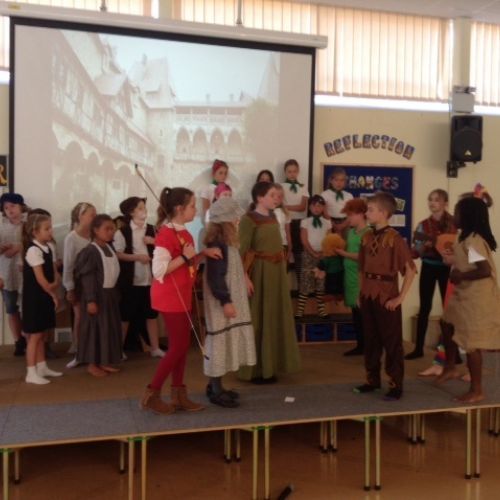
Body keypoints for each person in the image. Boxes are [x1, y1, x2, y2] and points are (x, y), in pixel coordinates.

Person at [141, 187, 222, 415]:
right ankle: (152, 393)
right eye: (192, 206)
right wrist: (186, 256)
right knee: (178, 347)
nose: (196, 210)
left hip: (182, 295)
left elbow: (188, 263)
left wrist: (201, 254)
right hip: (170, 296)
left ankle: (178, 394)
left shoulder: (184, 233)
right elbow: (159, 270)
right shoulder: (166, 234)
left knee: (182, 346)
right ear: (179, 208)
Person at [354, 192, 416, 401]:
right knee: (370, 340)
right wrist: (360, 292)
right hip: (368, 295)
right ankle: (372, 380)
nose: (367, 213)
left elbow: (410, 270)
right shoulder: (366, 237)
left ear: (383, 213)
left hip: (386, 296)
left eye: (371, 209)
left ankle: (395, 385)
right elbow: (361, 269)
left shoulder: (395, 239)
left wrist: (400, 298)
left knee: (391, 342)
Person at [437, 196, 500, 403]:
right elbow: (467, 260)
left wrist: (460, 275)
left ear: (468, 216)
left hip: (477, 298)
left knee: (472, 345)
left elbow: (484, 270)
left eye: (457, 212)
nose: (454, 216)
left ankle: (477, 389)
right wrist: (452, 260)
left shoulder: (473, 240)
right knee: (446, 323)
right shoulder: (463, 237)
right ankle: (450, 367)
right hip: (464, 293)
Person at [238, 182, 301, 383]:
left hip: (276, 273)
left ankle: (271, 365)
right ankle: (256, 370)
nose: (276, 198)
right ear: (259, 198)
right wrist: (245, 277)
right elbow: (241, 251)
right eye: (272, 195)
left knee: (274, 317)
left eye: (277, 195)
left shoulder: (274, 216)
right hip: (259, 273)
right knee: (259, 317)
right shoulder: (249, 219)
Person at [203, 197, 256, 407]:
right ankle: (215, 390)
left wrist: (244, 278)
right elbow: (215, 277)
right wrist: (225, 301)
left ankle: (216, 385)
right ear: (226, 221)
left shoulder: (227, 244)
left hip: (228, 298)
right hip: (221, 302)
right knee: (219, 342)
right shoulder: (217, 245)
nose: (237, 221)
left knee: (224, 342)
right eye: (235, 218)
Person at [405, 189, 456, 360]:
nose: (432, 203)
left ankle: (454, 352)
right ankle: (418, 348)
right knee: (425, 307)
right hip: (429, 267)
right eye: (430, 199)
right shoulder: (422, 226)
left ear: (445, 203)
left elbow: (461, 246)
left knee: (449, 309)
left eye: (436, 200)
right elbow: (416, 252)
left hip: (448, 269)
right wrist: (421, 248)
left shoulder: (455, 223)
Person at [114, 197, 164, 359]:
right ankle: (118, 350)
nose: (145, 211)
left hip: (150, 280)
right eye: (140, 208)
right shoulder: (122, 232)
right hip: (131, 281)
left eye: (144, 207)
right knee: (125, 316)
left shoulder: (152, 229)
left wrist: (154, 241)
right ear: (131, 212)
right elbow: (118, 254)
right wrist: (137, 257)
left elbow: (165, 248)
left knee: (151, 315)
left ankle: (155, 347)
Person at [74, 214, 122, 377]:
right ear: (95, 230)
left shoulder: (109, 248)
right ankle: (92, 364)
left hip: (109, 295)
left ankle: (103, 361)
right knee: (94, 329)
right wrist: (91, 300)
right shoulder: (90, 251)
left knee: (107, 329)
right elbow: (87, 278)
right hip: (96, 296)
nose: (110, 232)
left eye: (112, 229)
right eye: (106, 229)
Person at [22, 213, 62, 384]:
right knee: (35, 335)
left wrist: (55, 286)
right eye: (47, 228)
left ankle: (42, 366)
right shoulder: (33, 250)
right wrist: (52, 292)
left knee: (43, 333)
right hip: (35, 298)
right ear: (35, 232)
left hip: (45, 295)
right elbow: (41, 280)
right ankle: (31, 372)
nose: (50, 231)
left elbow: (54, 272)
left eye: (50, 227)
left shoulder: (49, 247)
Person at [335, 198, 371, 356]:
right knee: (355, 314)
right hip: (349, 275)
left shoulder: (368, 233)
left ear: (361, 214)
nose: (348, 218)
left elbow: (365, 257)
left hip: (360, 276)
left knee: (363, 314)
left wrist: (343, 254)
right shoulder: (350, 232)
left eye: (350, 215)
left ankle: (368, 347)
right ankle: (360, 345)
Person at [63, 202, 96, 368]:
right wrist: (69, 288)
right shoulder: (72, 238)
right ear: (81, 216)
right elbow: (68, 266)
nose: (95, 218)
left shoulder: (95, 235)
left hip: (95, 283)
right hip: (79, 283)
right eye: (91, 215)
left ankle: (93, 351)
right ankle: (79, 351)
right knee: (80, 317)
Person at [295, 195, 332, 319]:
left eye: (320, 206)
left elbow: (329, 239)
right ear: (310, 207)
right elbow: (304, 240)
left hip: (323, 255)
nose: (317, 208)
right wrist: (313, 253)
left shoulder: (327, 222)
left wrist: (323, 253)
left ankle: (321, 311)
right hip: (308, 255)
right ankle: (300, 311)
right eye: (314, 205)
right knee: (305, 281)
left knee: (321, 282)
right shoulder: (305, 221)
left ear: (323, 208)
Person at [0, 193, 27, 356]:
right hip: (6, 274)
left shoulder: (30, 223)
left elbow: (40, 242)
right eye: (6, 207)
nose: (10, 210)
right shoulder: (1, 226)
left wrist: (19, 247)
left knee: (28, 307)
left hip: (26, 273)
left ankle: (30, 339)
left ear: (21, 206)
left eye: (13, 206)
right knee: (11, 308)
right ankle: (18, 342)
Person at [281, 159, 309, 281]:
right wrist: (289, 208)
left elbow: (302, 207)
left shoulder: (303, 186)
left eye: (294, 171)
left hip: (299, 223)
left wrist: (286, 207)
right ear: (285, 172)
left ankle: (301, 285)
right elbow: (279, 206)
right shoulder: (281, 186)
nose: (292, 174)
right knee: (285, 252)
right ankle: (283, 284)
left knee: (299, 254)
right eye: (289, 171)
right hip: (285, 223)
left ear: (298, 171)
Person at [321, 167, 353, 233]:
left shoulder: (349, 195)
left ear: (345, 182)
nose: (339, 183)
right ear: (331, 181)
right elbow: (324, 213)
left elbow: (351, 213)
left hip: (345, 224)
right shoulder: (324, 195)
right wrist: (334, 225)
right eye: (336, 180)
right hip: (329, 224)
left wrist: (343, 225)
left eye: (342, 180)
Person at [273, 184, 292, 254]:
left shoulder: (285, 212)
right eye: (273, 196)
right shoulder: (265, 212)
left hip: (283, 244)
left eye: (279, 196)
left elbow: (287, 231)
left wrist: (290, 245)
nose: (276, 199)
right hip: (269, 245)